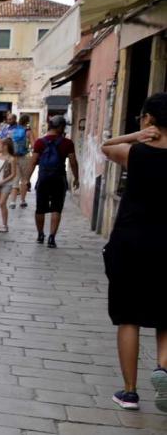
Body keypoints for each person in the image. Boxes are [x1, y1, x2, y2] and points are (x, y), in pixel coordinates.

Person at [100, 92, 167, 411]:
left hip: (130, 241)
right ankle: (164, 369)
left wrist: (136, 135)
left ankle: (129, 391)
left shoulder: (136, 153)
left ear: (150, 120)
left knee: (128, 317)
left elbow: (106, 146)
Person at [29, 115, 78, 248]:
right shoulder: (67, 143)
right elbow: (73, 162)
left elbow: (33, 162)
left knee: (40, 208)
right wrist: (76, 178)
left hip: (44, 177)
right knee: (57, 208)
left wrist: (26, 179)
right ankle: (51, 238)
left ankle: (40, 235)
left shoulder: (39, 142)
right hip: (59, 177)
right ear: (61, 127)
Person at [0, 138, 17, 232]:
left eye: (0, 145)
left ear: (5, 146)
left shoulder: (11, 159)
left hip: (6, 183)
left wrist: (2, 182)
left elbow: (13, 174)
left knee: (2, 203)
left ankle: (5, 224)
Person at [10, 114, 33, 208]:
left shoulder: (14, 130)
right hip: (24, 157)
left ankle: (12, 202)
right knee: (24, 179)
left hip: (14, 157)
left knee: (15, 179)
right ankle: (22, 201)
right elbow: (34, 144)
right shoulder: (28, 131)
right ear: (27, 121)